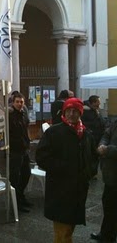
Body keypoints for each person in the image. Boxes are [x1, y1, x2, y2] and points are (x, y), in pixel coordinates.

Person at [36, 98, 97, 243]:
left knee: (69, 230)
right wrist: (63, 168)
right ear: (64, 112)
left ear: (80, 113)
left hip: (78, 190)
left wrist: (90, 172)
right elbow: (41, 157)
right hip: (60, 189)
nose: (71, 114)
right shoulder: (54, 132)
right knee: (62, 233)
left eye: (75, 111)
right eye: (68, 110)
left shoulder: (86, 134)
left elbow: (93, 156)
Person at [90, 120, 117, 243]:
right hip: (111, 173)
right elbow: (106, 134)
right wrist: (102, 145)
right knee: (109, 204)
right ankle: (107, 234)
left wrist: (108, 149)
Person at [8, 92, 32, 212]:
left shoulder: (23, 114)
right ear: (13, 103)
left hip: (24, 149)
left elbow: (26, 128)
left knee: (26, 174)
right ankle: (16, 201)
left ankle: (21, 195)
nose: (19, 104)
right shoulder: (9, 114)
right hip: (14, 150)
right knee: (15, 177)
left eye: (21, 102)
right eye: (17, 101)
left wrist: (28, 142)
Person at [81, 95, 105, 178]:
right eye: (98, 102)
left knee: (95, 156)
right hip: (91, 137)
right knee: (91, 156)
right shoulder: (86, 111)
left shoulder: (95, 110)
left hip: (97, 136)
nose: (99, 104)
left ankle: (93, 172)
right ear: (93, 103)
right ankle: (90, 172)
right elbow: (86, 124)